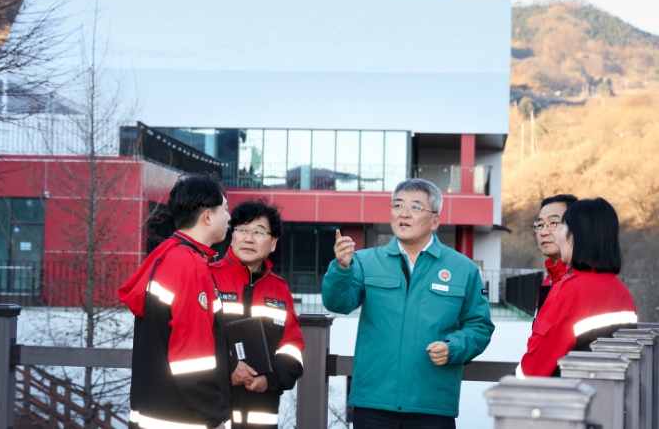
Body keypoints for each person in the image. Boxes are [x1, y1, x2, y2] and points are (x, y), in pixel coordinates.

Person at [322, 178, 494, 429]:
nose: (404, 213)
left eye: (415, 207)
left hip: (432, 403)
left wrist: (453, 347)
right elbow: (338, 303)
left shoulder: (463, 268)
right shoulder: (365, 261)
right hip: (374, 402)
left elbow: (479, 326)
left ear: (434, 220)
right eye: (398, 205)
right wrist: (341, 267)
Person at [119, 173, 231, 429]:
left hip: (155, 413)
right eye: (225, 209)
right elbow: (192, 357)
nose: (229, 217)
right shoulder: (190, 266)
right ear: (207, 216)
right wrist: (215, 415)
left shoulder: (167, 255)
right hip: (183, 418)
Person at [210, 199, 305, 429]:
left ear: (273, 243)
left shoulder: (279, 289)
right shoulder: (207, 277)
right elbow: (190, 341)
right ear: (232, 235)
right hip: (212, 415)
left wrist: (269, 379)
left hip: (262, 417)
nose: (249, 238)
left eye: (259, 232)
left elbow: (292, 347)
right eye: (242, 229)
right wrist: (228, 367)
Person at [517, 197, 637, 377]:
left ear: (576, 236)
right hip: (613, 392)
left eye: (561, 227)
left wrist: (509, 385)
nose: (559, 236)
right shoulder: (623, 292)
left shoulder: (569, 290)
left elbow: (532, 369)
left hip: (569, 392)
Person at [532, 194, 578, 315]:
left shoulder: (582, 281)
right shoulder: (549, 280)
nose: (543, 232)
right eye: (540, 224)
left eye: (552, 223)